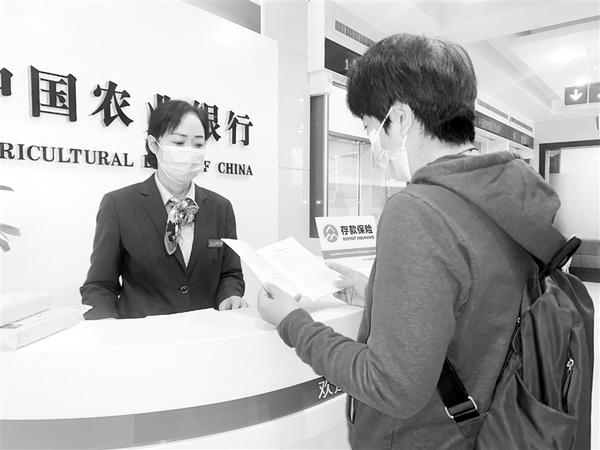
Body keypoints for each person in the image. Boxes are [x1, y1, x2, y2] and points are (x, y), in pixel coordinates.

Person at [257, 33, 565, 449]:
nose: (374, 143)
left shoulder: (418, 209)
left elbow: (392, 387)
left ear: (400, 118)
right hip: (487, 424)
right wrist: (378, 293)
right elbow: (474, 304)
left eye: (371, 127)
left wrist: (292, 322)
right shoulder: (507, 193)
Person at [82, 100, 246, 319]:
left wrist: (230, 295)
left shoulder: (220, 207)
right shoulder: (118, 204)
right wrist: (106, 326)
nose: (190, 151)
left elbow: (230, 273)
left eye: (198, 144)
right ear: (154, 144)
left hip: (207, 331)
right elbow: (100, 285)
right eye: (179, 142)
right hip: (143, 335)